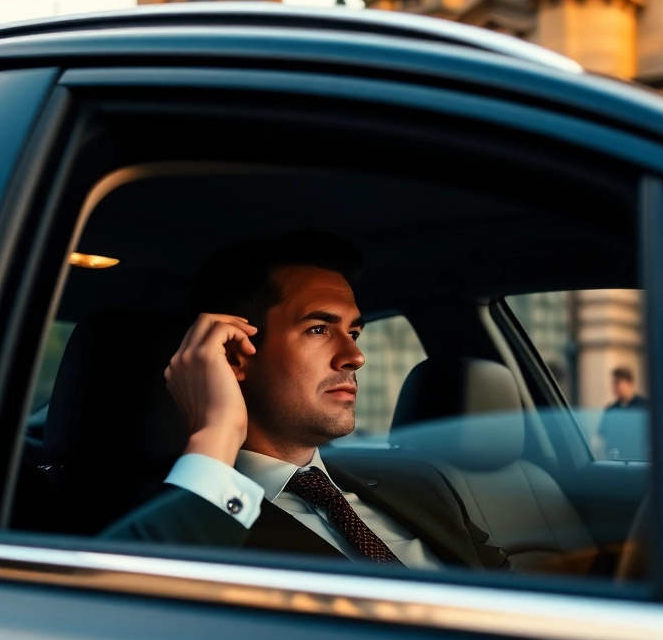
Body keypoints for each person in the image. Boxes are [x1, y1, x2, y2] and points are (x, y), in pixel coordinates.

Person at [103, 231, 508, 571]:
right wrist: (217, 432)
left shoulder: (421, 483)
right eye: (318, 329)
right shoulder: (179, 516)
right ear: (232, 353)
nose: (355, 357)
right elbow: (136, 614)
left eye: (355, 332)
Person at [596, 366, 649, 460]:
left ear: (629, 383)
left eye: (617, 383)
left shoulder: (644, 407)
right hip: (616, 460)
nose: (614, 387)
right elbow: (601, 438)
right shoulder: (611, 410)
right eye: (613, 383)